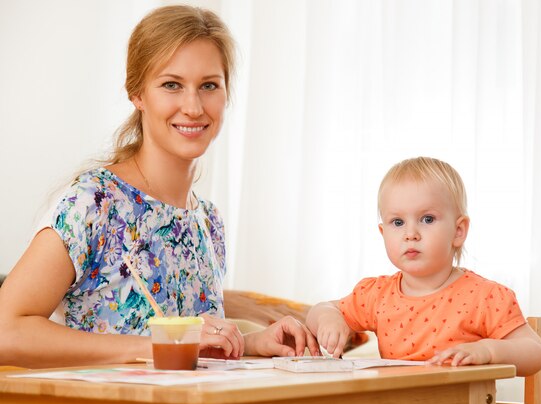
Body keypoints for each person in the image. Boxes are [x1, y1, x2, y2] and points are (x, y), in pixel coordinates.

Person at [0, 5, 318, 369]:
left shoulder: (207, 221)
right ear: (137, 93)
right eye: (171, 85)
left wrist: (251, 343)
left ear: (226, 94)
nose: (194, 107)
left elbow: (186, 351)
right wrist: (152, 345)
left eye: (209, 85)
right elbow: (6, 331)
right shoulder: (93, 203)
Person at [306, 157, 541, 376]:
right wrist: (328, 317)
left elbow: (534, 352)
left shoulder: (485, 297)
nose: (410, 234)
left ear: (458, 231)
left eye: (427, 219)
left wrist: (488, 351)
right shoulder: (377, 295)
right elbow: (321, 309)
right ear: (383, 232)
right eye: (397, 222)